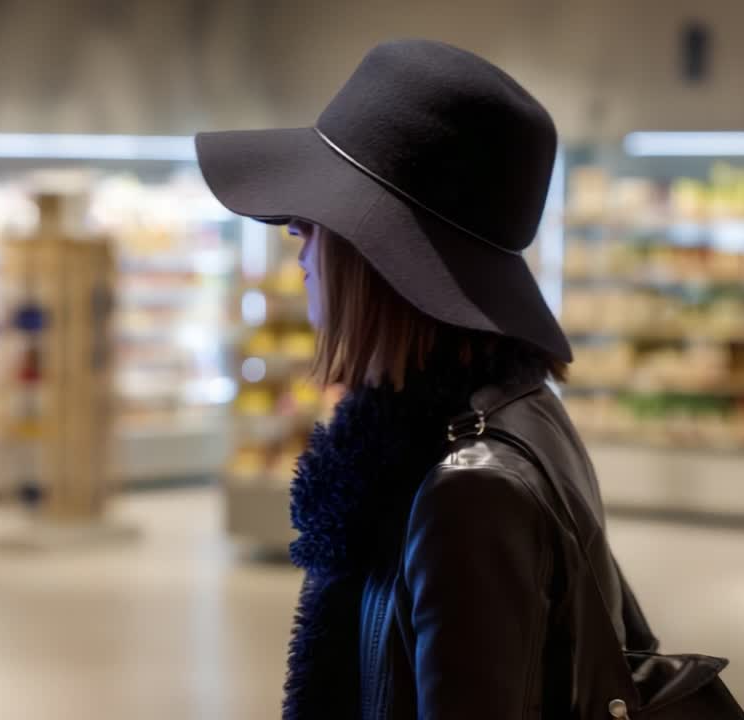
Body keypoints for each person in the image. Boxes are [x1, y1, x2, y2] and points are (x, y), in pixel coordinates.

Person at [196, 39, 658, 719]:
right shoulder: (512, 410)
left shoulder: (468, 489)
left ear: (382, 255)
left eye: (321, 213)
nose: (296, 227)